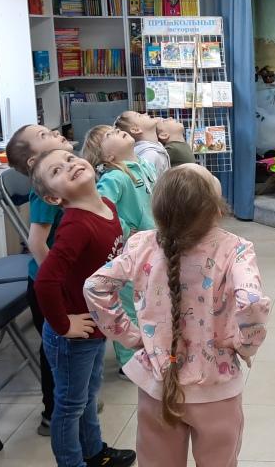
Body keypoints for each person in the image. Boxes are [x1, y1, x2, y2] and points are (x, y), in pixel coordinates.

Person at [84, 164, 270, 467]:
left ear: (158, 210)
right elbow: (251, 302)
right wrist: (244, 346)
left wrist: (131, 337)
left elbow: (95, 287)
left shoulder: (141, 244)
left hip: (157, 383)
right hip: (216, 387)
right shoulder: (235, 249)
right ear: (217, 210)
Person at [30, 149, 136, 467]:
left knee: (88, 395)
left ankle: (93, 453)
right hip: (73, 334)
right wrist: (64, 325)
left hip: (95, 323)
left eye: (69, 158)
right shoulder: (76, 226)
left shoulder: (107, 206)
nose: (70, 165)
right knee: (70, 406)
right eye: (56, 171)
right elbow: (45, 281)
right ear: (53, 198)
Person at [6, 124, 99, 437]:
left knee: (74, 349)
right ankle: (53, 412)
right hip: (48, 283)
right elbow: (36, 243)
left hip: (63, 279)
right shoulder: (44, 192)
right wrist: (60, 285)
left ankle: (80, 401)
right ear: (35, 163)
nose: (54, 133)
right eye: (43, 136)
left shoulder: (69, 181)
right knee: (56, 351)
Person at [81, 125, 158, 373]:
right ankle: (129, 364)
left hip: (152, 246)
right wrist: (126, 229)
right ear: (108, 156)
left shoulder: (145, 166)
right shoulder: (114, 177)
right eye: (109, 135)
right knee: (128, 306)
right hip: (129, 252)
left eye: (115, 129)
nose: (116, 130)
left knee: (148, 300)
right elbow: (100, 208)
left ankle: (147, 349)